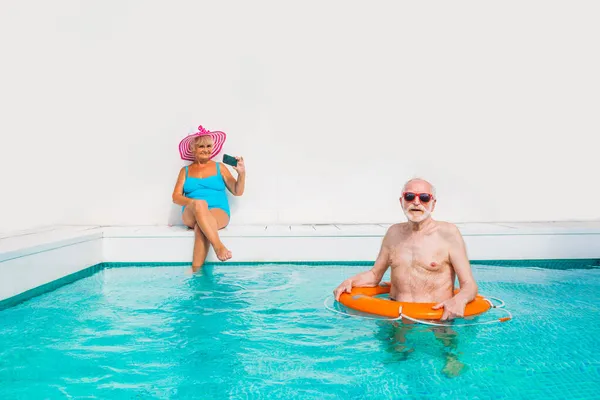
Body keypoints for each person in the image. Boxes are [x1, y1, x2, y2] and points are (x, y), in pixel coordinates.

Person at [333, 178, 478, 376]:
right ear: (401, 201)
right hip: (396, 318)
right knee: (393, 367)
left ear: (433, 203)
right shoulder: (393, 233)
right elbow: (375, 275)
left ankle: (451, 361)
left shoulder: (448, 234)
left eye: (424, 198)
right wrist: (351, 281)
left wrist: (459, 299)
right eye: (410, 196)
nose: (416, 202)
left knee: (450, 371)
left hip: (437, 320)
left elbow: (469, 285)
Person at [172, 127, 246, 271]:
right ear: (193, 149)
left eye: (208, 146)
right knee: (200, 204)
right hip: (191, 212)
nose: (206, 150)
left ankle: (196, 272)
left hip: (218, 211)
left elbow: (237, 191)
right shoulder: (185, 171)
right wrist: (193, 202)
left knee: (202, 227)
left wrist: (242, 174)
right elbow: (176, 197)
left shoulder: (220, 167)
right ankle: (218, 246)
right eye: (201, 146)